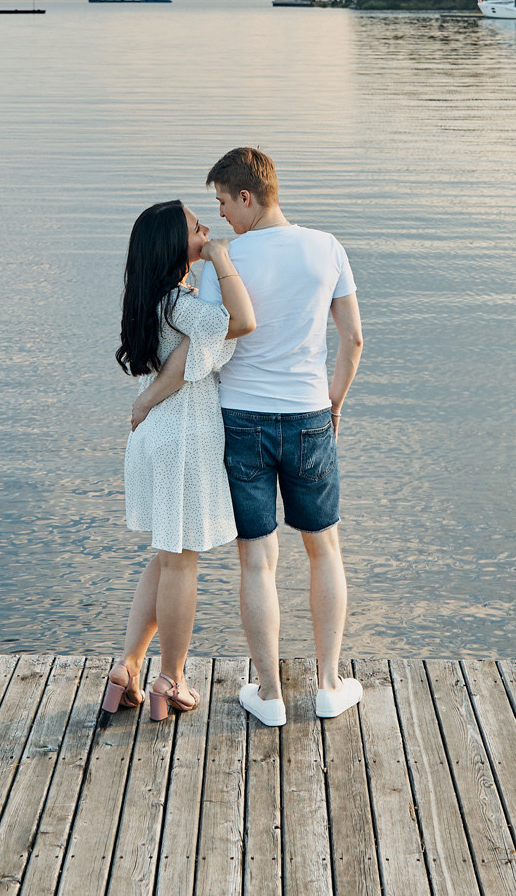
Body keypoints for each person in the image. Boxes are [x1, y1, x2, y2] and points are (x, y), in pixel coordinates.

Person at [206, 146, 364, 725]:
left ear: (245, 196)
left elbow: (207, 343)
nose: (221, 214)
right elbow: (352, 340)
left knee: (256, 560)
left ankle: (269, 696)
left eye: (223, 202)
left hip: (241, 418)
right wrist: (334, 404)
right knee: (323, 548)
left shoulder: (223, 260)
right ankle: (327, 685)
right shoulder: (326, 247)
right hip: (308, 416)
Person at [107, 199, 257, 723]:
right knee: (181, 559)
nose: (207, 228)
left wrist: (146, 402)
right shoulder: (180, 303)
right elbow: (242, 319)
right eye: (198, 226)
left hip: (161, 435)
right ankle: (171, 677)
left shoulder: (162, 300)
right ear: (176, 244)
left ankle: (127, 667)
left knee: (168, 556)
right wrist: (221, 258)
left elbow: (187, 359)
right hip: (183, 440)